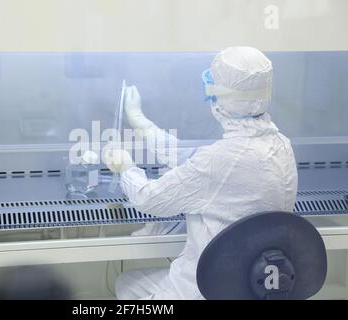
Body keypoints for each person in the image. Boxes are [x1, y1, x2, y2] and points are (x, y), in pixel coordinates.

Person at [104, 46, 298, 299]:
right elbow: (195, 162)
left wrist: (126, 168)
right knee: (130, 282)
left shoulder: (220, 160)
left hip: (204, 288)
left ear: (220, 95)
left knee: (126, 285)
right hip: (251, 285)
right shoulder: (282, 146)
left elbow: (148, 198)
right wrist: (141, 122)